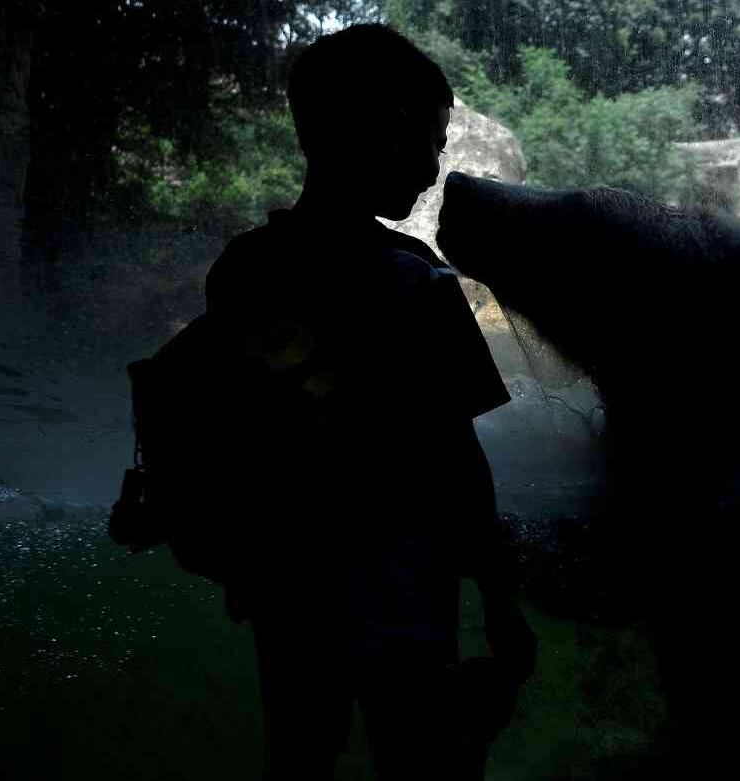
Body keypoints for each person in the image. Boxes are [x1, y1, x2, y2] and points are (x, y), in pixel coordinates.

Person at [201, 23, 537, 781]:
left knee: (298, 755)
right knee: (424, 761)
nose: (434, 168)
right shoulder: (418, 280)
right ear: (393, 130)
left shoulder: (241, 271)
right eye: (434, 140)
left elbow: (237, 431)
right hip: (406, 588)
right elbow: (460, 463)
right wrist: (501, 602)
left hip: (289, 591)